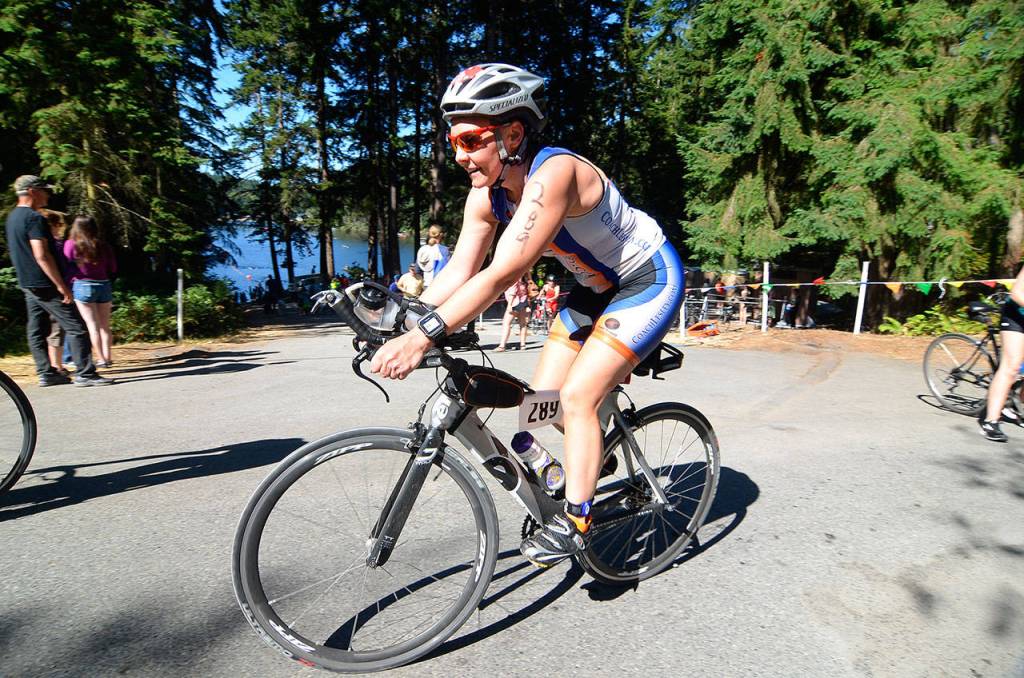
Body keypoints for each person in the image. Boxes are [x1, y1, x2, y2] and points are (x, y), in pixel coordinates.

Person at [369, 64, 683, 567]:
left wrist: (422, 339)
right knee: (544, 403)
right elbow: (460, 274)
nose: (460, 156)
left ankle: (578, 521)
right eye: (453, 142)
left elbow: (501, 272)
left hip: (647, 280)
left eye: (471, 140)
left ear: (512, 133)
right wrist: (396, 318)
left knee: (577, 398)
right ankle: (593, 452)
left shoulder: (554, 174)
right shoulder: (485, 196)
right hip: (592, 290)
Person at [4, 176, 111, 386]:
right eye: (44, 190)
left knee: (36, 329)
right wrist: (62, 286)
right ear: (32, 191)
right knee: (76, 326)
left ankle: (47, 372)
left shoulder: (12, 217)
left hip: (27, 282)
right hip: (45, 283)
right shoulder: (34, 218)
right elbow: (41, 255)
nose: (48, 194)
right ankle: (85, 373)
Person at [64, 215, 117, 368]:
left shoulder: (70, 244)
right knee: (105, 326)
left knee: (92, 326)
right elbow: (113, 268)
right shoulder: (103, 245)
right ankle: (107, 358)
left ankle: (100, 358)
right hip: (103, 285)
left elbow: (66, 265)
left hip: (82, 285)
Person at [980, 264, 1024, 442]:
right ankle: (990, 421)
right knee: (1011, 367)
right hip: (1016, 318)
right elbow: (1017, 293)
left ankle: (1016, 406)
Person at [39, 209, 71, 374]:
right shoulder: (53, 245)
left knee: (57, 329)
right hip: (56, 288)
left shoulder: (49, 244)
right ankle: (57, 365)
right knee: (57, 328)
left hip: (54, 288)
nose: (61, 228)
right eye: (58, 224)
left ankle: (57, 364)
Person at [496, 274, 530, 351]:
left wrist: (509, 305)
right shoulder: (524, 280)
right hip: (523, 303)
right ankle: (523, 345)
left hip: (515, 303)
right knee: (523, 324)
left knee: (506, 323)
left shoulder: (514, 278)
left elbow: (512, 292)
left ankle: (502, 345)